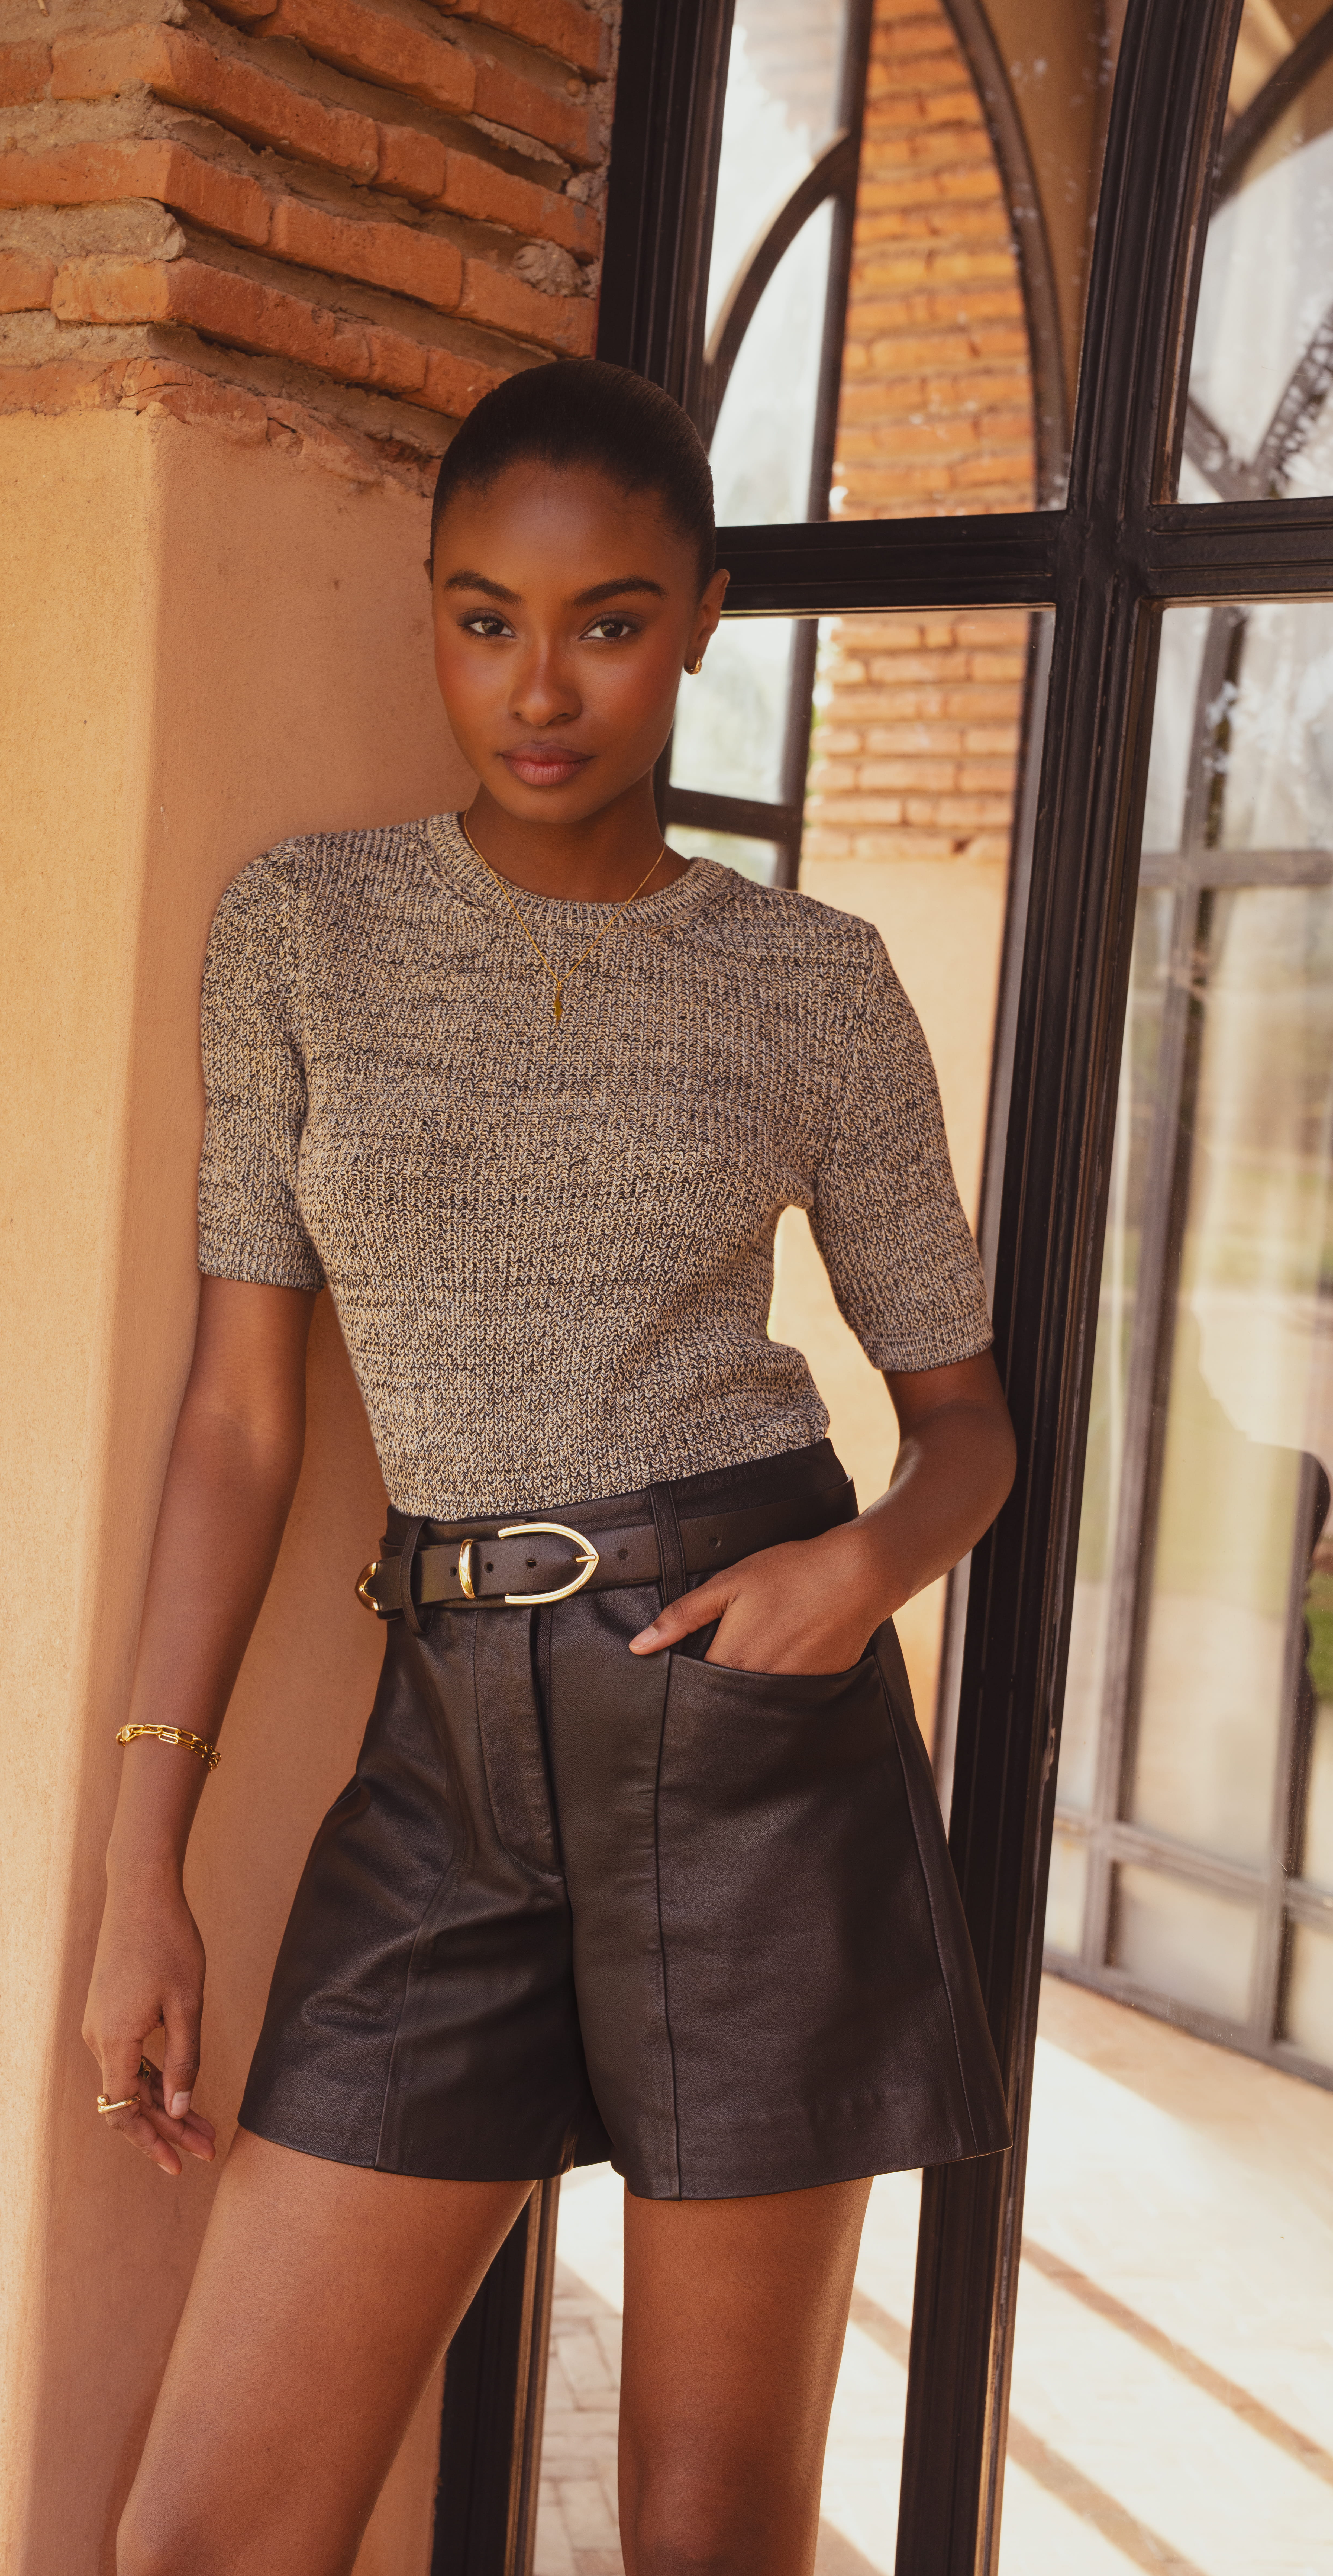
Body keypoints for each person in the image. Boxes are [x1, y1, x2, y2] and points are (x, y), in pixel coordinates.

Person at [83, 357, 1015, 2576]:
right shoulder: (298, 931)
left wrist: (863, 1571)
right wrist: (149, 1861)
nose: (538, 684)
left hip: (748, 1727)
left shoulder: (813, 983)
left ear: (701, 615)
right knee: (204, 2535)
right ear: (431, 612)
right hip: (443, 1776)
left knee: (705, 2534)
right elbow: (239, 1421)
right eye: (484, 616)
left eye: (606, 619)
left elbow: (969, 1428)